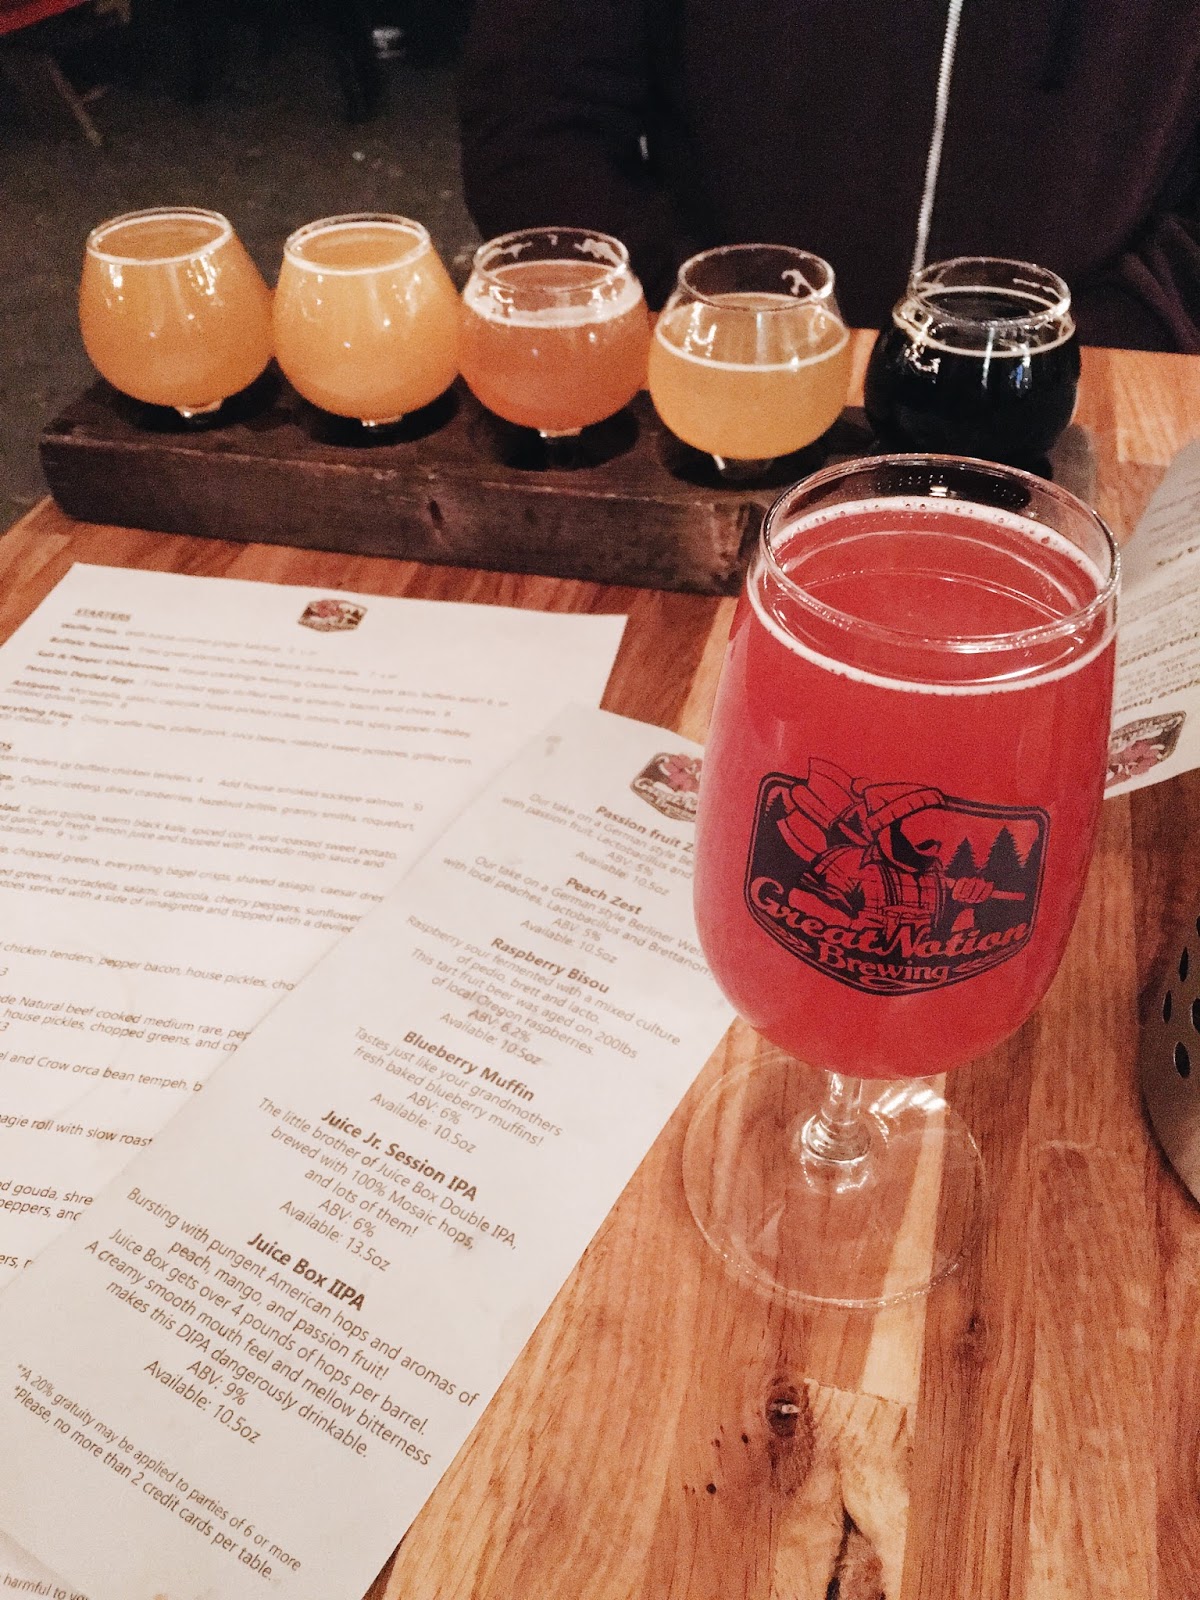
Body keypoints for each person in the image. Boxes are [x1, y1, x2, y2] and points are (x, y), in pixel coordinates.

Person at [459, 0, 1200, 350]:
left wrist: (1125, 334)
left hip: (1101, 387)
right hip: (713, 376)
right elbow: (535, 123)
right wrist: (701, 311)